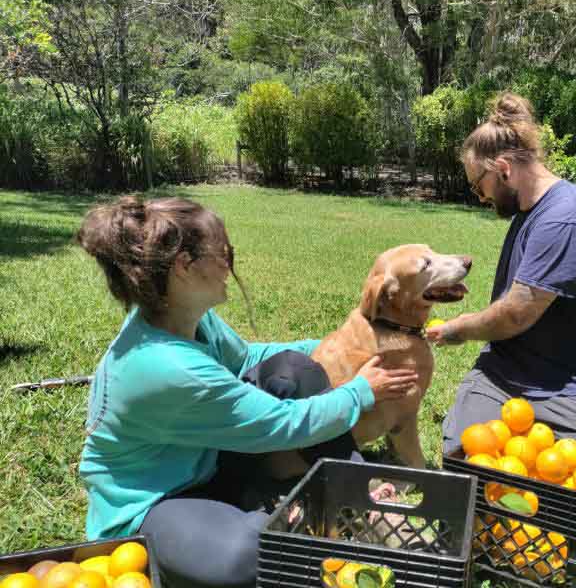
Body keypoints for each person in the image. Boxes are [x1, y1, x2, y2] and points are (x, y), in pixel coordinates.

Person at [76, 196, 417, 588]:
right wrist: (361, 392)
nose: (229, 264)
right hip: (155, 502)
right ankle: (284, 512)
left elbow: (249, 357)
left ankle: (357, 498)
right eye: (224, 253)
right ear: (185, 267)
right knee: (245, 557)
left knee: (295, 370)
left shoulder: (186, 318)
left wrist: (342, 345)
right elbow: (284, 423)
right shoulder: (166, 368)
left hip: (207, 462)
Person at [426, 93, 576, 505]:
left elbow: (517, 314)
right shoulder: (527, 209)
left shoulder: (566, 217)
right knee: (465, 467)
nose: (480, 197)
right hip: (503, 374)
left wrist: (457, 328)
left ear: (502, 169)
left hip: (571, 384)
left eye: (476, 185)